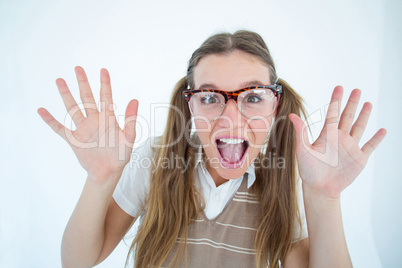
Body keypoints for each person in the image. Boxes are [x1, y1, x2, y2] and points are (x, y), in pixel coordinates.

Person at [37, 30, 386, 268]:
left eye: (252, 97)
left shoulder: (288, 178)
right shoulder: (156, 158)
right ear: (190, 106)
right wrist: (100, 180)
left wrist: (325, 197)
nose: (231, 118)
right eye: (209, 97)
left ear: (275, 107)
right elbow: (79, 260)